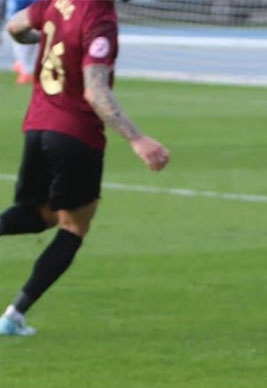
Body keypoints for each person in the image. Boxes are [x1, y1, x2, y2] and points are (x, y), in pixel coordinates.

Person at [1, 0, 169, 337]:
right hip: (75, 133)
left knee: (42, 215)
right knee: (74, 227)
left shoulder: (57, 1)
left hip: (37, 126)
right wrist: (137, 139)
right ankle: (14, 315)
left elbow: (14, 27)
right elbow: (94, 90)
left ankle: (13, 316)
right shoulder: (100, 18)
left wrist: (46, 39)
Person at [5, 0, 36, 83]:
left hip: (30, 16)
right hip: (19, 17)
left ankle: (23, 68)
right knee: (22, 46)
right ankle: (23, 70)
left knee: (31, 46)